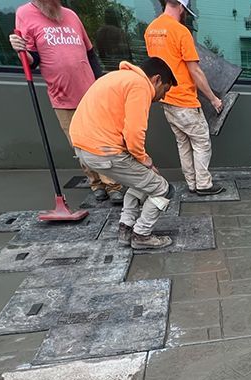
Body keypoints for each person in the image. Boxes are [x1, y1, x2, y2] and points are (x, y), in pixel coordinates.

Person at [10, 0, 124, 204]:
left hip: (90, 92)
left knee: (102, 139)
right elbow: (32, 61)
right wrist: (21, 51)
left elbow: (90, 54)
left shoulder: (71, 15)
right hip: (62, 95)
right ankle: (96, 183)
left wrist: (101, 83)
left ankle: (112, 184)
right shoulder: (25, 14)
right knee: (79, 144)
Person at [69, 58, 177, 250]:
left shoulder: (117, 77)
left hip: (85, 149)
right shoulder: (140, 85)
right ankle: (141, 235)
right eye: (165, 90)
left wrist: (144, 165)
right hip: (105, 151)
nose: (161, 98)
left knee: (142, 183)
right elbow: (134, 133)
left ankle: (125, 228)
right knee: (163, 189)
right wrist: (147, 162)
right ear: (157, 79)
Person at [145, 0, 225, 196]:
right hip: (184, 99)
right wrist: (213, 99)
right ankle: (203, 184)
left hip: (165, 97)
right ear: (181, 7)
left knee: (183, 142)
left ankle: (191, 182)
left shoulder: (151, 30)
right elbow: (195, 70)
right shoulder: (181, 32)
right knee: (201, 142)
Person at [95, 6, 132, 71]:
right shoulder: (119, 32)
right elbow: (127, 53)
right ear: (116, 18)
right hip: (123, 68)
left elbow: (100, 53)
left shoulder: (100, 32)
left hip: (107, 69)